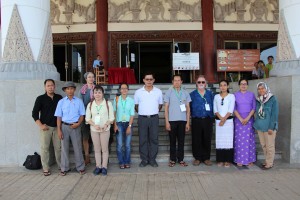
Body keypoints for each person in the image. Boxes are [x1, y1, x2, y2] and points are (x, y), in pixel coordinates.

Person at [32, 79, 62, 176]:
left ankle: (61, 166)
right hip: (46, 127)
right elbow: (34, 113)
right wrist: (40, 125)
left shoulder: (59, 97)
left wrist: (61, 127)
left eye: (52, 85)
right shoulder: (40, 98)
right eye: (48, 85)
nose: (50, 87)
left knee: (58, 148)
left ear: (54, 86)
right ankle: (45, 168)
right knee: (45, 148)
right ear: (45, 87)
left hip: (57, 127)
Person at [55, 82, 86, 176]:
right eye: (67, 89)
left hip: (75, 126)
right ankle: (64, 168)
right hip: (64, 126)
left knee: (78, 148)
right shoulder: (61, 102)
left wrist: (78, 123)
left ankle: (80, 167)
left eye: (71, 88)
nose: (70, 90)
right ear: (65, 90)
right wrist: (59, 130)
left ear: (74, 89)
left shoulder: (79, 101)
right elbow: (59, 117)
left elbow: (82, 115)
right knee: (64, 148)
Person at [134, 72, 163, 167]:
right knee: (143, 139)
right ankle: (144, 160)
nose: (149, 81)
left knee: (154, 139)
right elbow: (136, 106)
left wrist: (152, 112)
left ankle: (152, 159)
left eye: (151, 79)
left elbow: (160, 105)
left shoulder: (158, 91)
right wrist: (144, 113)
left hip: (154, 118)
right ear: (143, 80)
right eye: (147, 79)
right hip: (142, 118)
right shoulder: (138, 92)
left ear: (153, 80)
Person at [86, 85, 114, 175]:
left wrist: (106, 124)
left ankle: (104, 167)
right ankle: (98, 166)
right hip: (94, 130)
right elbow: (87, 118)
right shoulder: (90, 104)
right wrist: (94, 125)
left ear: (102, 94)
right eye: (95, 92)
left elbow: (112, 117)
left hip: (105, 130)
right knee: (97, 149)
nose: (97, 94)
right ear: (93, 94)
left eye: (99, 92)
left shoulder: (107, 103)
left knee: (104, 149)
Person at [164, 74, 191, 167]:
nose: (177, 82)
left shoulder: (185, 93)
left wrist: (188, 122)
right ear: (172, 82)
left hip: (182, 121)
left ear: (181, 82)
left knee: (181, 141)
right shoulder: (169, 92)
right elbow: (166, 108)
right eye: (175, 80)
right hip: (172, 120)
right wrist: (167, 122)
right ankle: (172, 159)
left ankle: (181, 159)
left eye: (178, 80)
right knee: (172, 141)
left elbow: (188, 109)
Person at [190, 75, 214, 166]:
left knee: (207, 138)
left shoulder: (210, 94)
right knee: (196, 139)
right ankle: (197, 158)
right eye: (199, 82)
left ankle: (206, 158)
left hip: (207, 119)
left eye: (203, 82)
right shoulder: (192, 94)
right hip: (196, 119)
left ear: (206, 83)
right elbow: (189, 107)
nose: (201, 84)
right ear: (196, 83)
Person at [253, 82, 278, 170]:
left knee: (270, 145)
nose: (261, 90)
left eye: (262, 88)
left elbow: (274, 114)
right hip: (260, 127)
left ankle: (270, 163)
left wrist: (271, 127)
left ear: (266, 88)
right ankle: (267, 160)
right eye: (259, 89)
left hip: (269, 127)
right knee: (264, 145)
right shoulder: (258, 100)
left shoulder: (272, 98)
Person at [233, 79, 256, 167]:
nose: (243, 85)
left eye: (245, 84)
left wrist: (247, 118)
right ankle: (239, 159)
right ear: (239, 85)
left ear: (247, 85)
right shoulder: (235, 95)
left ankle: (249, 159)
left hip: (249, 119)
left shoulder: (251, 95)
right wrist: (240, 118)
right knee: (239, 140)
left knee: (249, 140)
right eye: (242, 84)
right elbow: (234, 108)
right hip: (238, 120)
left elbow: (253, 108)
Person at [214, 80, 235, 167]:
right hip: (219, 121)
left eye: (224, 85)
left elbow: (230, 109)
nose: (223, 87)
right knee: (219, 140)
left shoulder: (231, 96)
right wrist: (221, 119)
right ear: (219, 87)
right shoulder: (216, 96)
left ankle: (228, 160)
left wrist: (224, 120)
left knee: (228, 140)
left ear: (228, 86)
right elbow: (215, 109)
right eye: (221, 85)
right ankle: (220, 159)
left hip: (228, 121)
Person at [113, 83, 135, 169]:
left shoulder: (131, 100)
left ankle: (127, 161)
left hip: (128, 123)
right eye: (122, 88)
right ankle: (121, 162)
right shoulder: (116, 99)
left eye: (126, 88)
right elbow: (114, 112)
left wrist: (129, 126)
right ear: (120, 90)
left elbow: (132, 114)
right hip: (119, 123)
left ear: (128, 90)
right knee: (119, 144)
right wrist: (114, 125)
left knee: (127, 145)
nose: (124, 90)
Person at [80, 72, 95, 165]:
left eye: (92, 77)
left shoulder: (97, 89)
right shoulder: (82, 90)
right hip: (85, 115)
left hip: (95, 116)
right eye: (89, 77)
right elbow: (80, 104)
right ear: (86, 79)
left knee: (95, 136)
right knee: (85, 137)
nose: (91, 78)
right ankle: (87, 156)